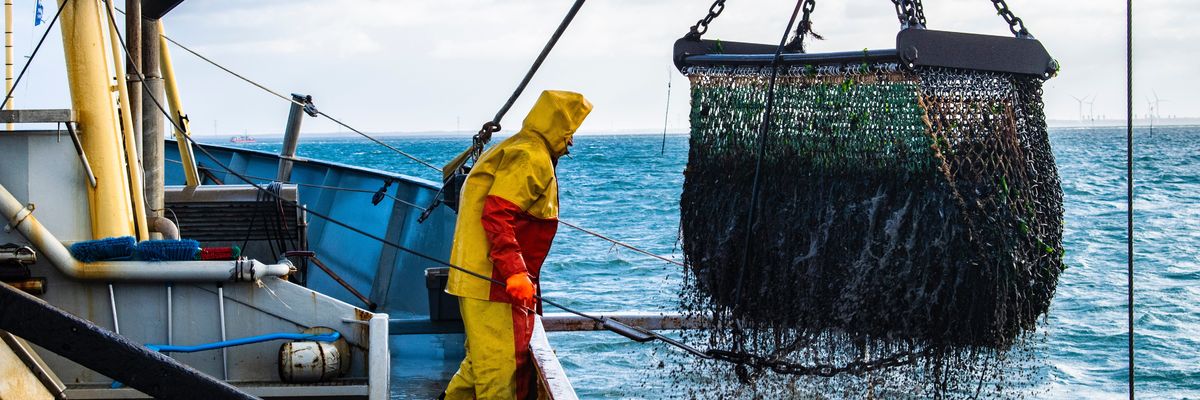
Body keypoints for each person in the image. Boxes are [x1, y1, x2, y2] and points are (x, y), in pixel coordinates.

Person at [442, 90, 592, 400]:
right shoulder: (531, 157)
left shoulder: (515, 146)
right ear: (556, 126)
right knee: (501, 375)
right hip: (494, 284)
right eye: (569, 132)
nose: (571, 142)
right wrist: (515, 273)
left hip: (476, 280)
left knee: (479, 365)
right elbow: (497, 214)